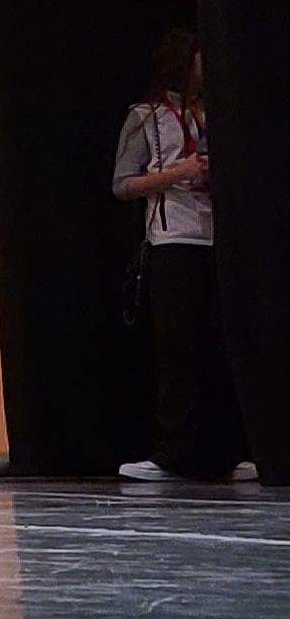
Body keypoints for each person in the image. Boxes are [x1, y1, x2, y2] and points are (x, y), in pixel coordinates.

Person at [115, 28, 248, 483]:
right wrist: (177, 173)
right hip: (172, 241)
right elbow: (123, 184)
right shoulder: (147, 116)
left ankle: (224, 452)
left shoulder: (214, 114)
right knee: (178, 349)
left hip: (217, 239)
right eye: (198, 58)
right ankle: (174, 452)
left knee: (220, 345)